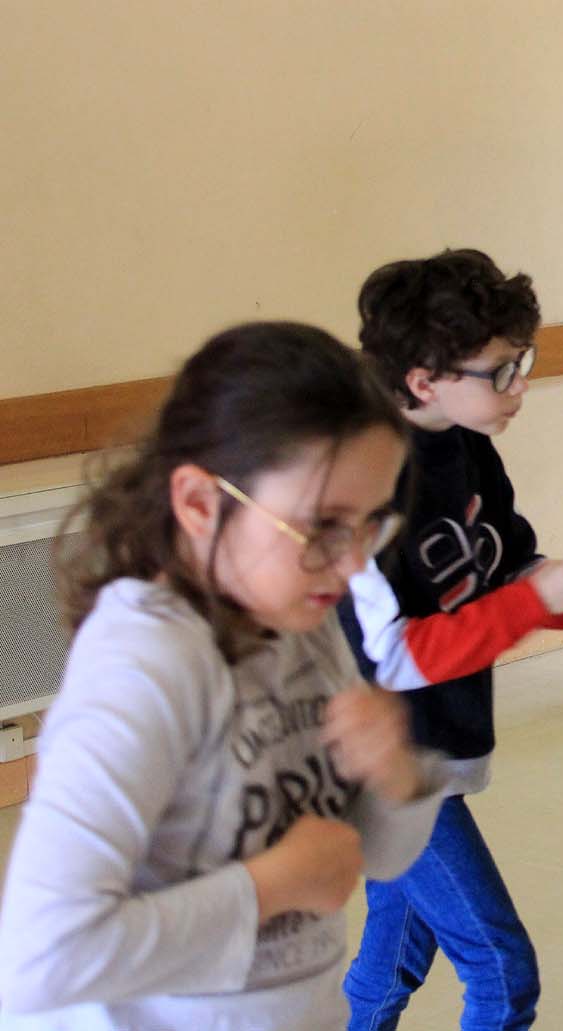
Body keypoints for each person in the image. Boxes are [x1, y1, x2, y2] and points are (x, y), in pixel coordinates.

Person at [0, 323, 446, 1030]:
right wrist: (268, 887)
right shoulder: (145, 667)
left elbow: (378, 858)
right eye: (324, 527)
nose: (355, 564)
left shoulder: (301, 621)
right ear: (201, 504)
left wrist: (396, 776)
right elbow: (38, 960)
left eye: (370, 526)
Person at [339, 249, 563, 1030]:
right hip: (387, 767)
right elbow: (392, 655)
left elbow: (505, 574)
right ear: (423, 381)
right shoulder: (363, 487)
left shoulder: (468, 445)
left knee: (395, 952)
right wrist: (529, 599)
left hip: (443, 740)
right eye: (501, 370)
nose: (520, 385)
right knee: (503, 974)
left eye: (522, 361)